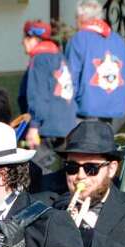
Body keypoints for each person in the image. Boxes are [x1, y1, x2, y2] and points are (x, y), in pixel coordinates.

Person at [17, 20, 77, 170]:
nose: (22, 43)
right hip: (66, 126)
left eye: (24, 38)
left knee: (35, 171)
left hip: (45, 127)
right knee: (67, 171)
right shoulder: (60, 57)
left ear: (32, 38)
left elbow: (38, 95)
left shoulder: (40, 59)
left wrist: (34, 127)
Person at [66, 0, 125, 122]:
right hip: (112, 110)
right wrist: (116, 96)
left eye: (76, 17)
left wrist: (71, 105)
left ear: (82, 18)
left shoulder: (79, 39)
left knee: (85, 141)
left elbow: (70, 78)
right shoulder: (117, 40)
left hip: (84, 112)